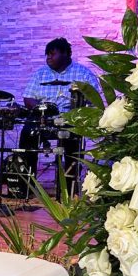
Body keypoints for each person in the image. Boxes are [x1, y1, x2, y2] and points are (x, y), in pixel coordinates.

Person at [14, 38, 97, 195]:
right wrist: (41, 110)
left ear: (65, 53)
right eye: (47, 55)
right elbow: (28, 98)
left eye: (52, 54)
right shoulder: (40, 74)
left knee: (72, 140)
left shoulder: (83, 73)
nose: (49, 58)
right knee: (27, 133)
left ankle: (69, 188)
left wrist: (80, 107)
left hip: (69, 119)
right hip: (43, 118)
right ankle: (26, 186)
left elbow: (94, 100)